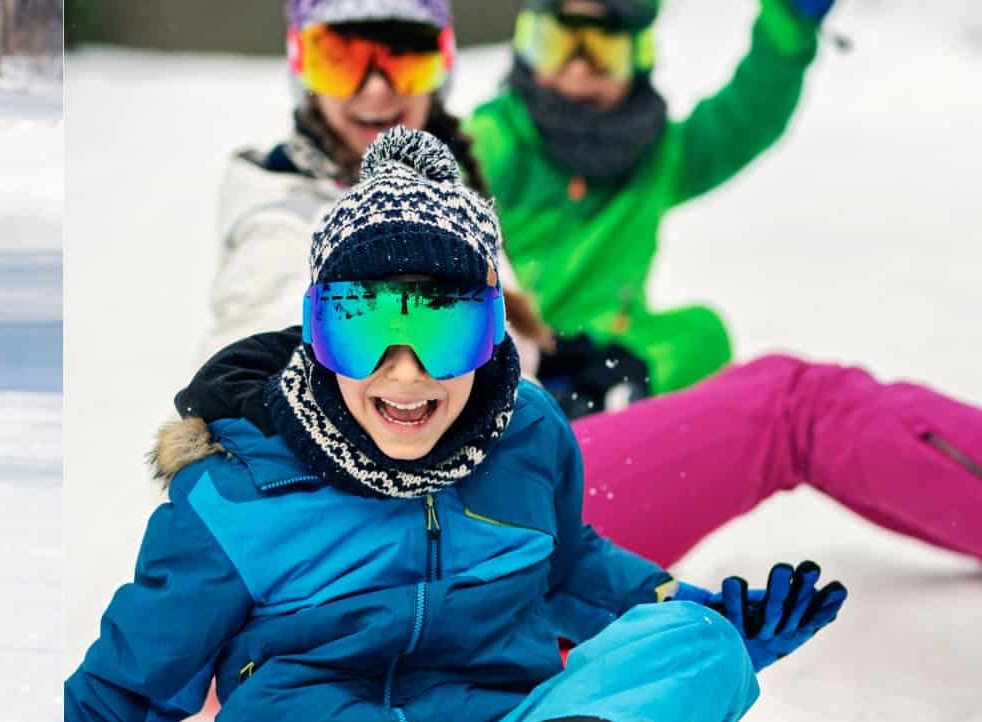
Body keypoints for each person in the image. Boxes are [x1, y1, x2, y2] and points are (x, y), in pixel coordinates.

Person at [64, 130, 846, 722]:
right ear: (319, 329)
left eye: (444, 328)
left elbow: (568, 566)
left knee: (695, 643)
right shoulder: (234, 490)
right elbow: (126, 688)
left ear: (490, 327)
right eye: (366, 331)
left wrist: (687, 608)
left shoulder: (530, 434)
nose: (405, 376)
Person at [197, 0, 982, 567]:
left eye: (404, 60)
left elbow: (738, 123)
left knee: (704, 338)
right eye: (343, 58)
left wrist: (551, 368)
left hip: (486, 501)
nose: (376, 89)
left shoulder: (446, 180)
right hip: (455, 541)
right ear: (301, 65)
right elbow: (261, 334)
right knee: (795, 406)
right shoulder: (303, 211)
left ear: (443, 66)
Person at [466, 0, 831, 393]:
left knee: (702, 335)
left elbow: (744, 119)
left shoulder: (657, 157)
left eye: (602, 50)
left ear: (638, 55)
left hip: (605, 357)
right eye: (559, 44)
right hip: (502, 353)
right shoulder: (494, 140)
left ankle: (608, 400)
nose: (578, 67)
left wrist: (788, 24)